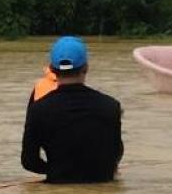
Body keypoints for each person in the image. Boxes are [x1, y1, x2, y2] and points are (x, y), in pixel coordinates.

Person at [20, 36, 124, 183]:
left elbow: (29, 161)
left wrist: (56, 169)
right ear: (86, 67)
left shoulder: (38, 110)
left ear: (52, 68)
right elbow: (116, 153)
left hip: (57, 191)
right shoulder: (111, 106)